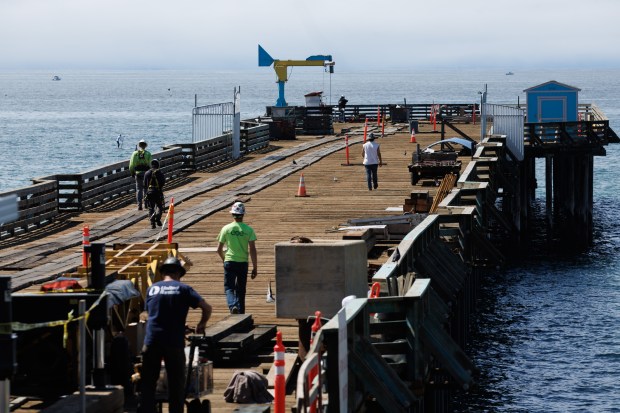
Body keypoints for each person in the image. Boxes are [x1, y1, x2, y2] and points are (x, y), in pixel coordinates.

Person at [139, 256, 212, 413]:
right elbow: (207, 307)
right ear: (179, 273)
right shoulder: (184, 289)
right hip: (173, 342)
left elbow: (150, 314)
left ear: (162, 273)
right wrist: (201, 325)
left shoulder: (152, 289)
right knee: (176, 385)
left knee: (148, 384)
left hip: (152, 341)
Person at [216, 201, 258, 314]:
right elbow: (252, 249)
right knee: (241, 290)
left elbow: (218, 249)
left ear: (232, 214)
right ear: (243, 214)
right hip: (243, 263)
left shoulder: (226, 229)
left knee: (229, 288)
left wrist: (224, 259)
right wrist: (255, 267)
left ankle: (232, 305)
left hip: (229, 261)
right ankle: (241, 313)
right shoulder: (249, 230)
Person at [129, 139, 152, 210]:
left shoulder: (134, 154)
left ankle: (139, 205)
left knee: (139, 189)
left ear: (139, 145)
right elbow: (150, 165)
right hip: (146, 174)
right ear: (145, 146)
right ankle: (146, 204)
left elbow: (131, 165)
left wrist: (132, 172)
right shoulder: (148, 154)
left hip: (138, 173)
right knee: (146, 188)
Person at [144, 159, 165, 229]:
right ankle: (158, 219)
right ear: (158, 165)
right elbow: (163, 183)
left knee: (151, 207)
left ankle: (152, 223)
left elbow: (145, 184)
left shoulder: (147, 173)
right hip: (158, 192)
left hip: (150, 192)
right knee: (159, 206)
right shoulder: (160, 173)